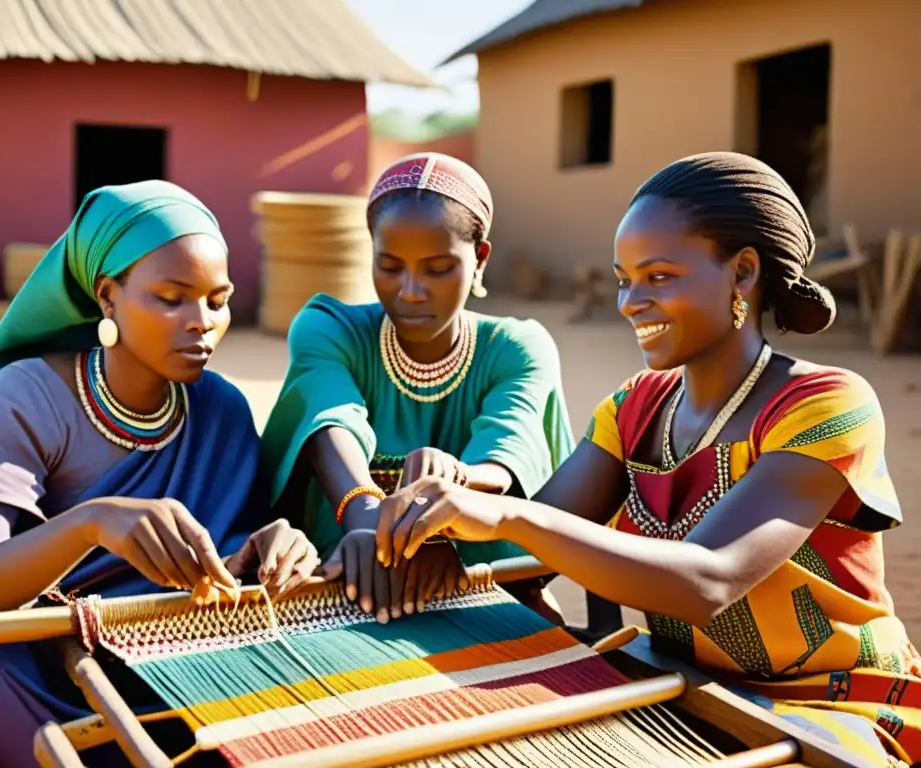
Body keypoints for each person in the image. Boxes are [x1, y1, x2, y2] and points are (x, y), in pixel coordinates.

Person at [374, 152, 920, 767]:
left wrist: (503, 517)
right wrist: (397, 536)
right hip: (686, 693)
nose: (631, 302)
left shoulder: (825, 405)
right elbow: (530, 558)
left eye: (658, 277)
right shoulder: (633, 408)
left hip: (834, 714)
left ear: (742, 272)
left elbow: (708, 579)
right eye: (623, 279)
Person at [0, 181, 318, 767]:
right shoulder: (27, 395)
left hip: (163, 665)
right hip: (36, 661)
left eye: (217, 301)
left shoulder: (221, 409)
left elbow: (223, 570)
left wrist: (268, 546)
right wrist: (90, 525)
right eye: (171, 298)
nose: (202, 323)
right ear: (107, 296)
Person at [261, 152, 596, 627]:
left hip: (478, 585)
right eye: (391, 266)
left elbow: (506, 455)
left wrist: (456, 478)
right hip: (348, 581)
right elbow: (329, 421)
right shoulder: (329, 328)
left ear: (479, 259)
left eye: (437, 268)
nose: (411, 290)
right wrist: (367, 521)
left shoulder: (516, 347)